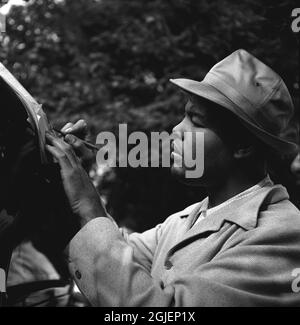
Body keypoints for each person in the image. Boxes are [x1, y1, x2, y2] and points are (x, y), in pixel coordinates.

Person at [45, 49, 300, 306]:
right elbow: (116, 262)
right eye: (184, 115)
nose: (177, 130)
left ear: (243, 144)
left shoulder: (283, 235)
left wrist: (89, 206)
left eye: (196, 121)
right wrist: (64, 178)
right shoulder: (184, 221)